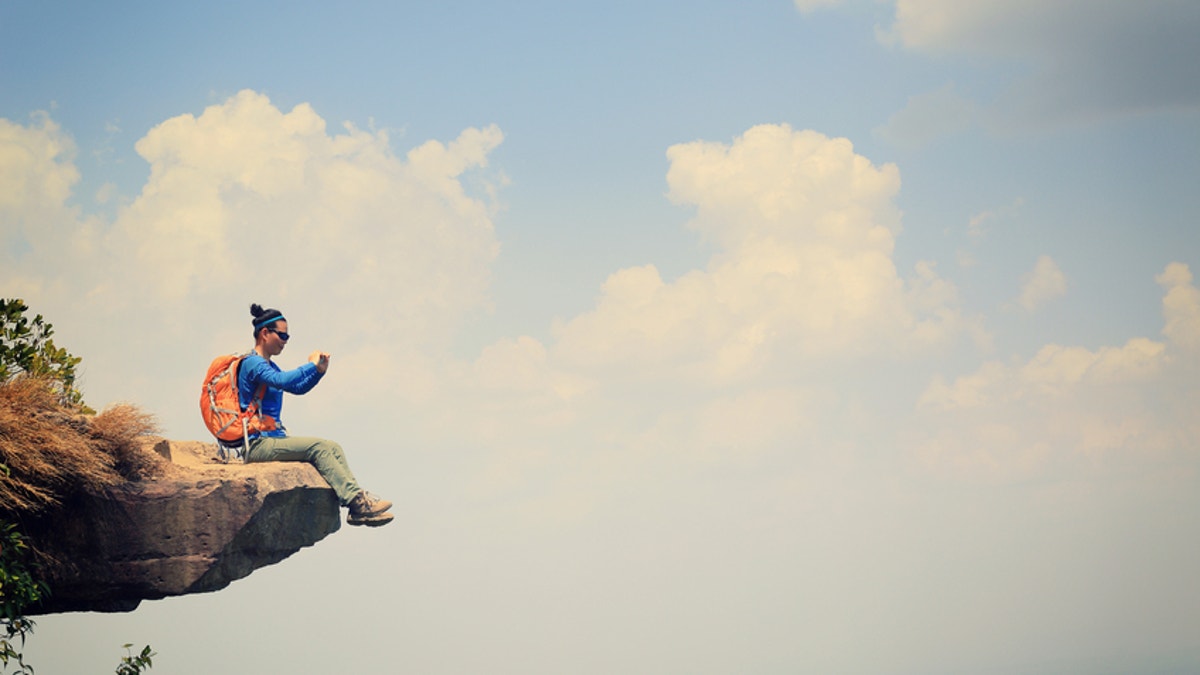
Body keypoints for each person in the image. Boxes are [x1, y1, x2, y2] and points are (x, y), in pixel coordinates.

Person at [237, 303, 393, 527]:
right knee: (318, 447)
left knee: (333, 447)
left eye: (287, 336)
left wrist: (318, 373)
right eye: (282, 335)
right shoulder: (253, 363)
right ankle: (358, 503)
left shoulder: (270, 366)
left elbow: (296, 388)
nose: (285, 340)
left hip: (273, 439)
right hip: (257, 444)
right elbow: (283, 381)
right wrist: (310, 365)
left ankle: (357, 506)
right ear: (264, 333)